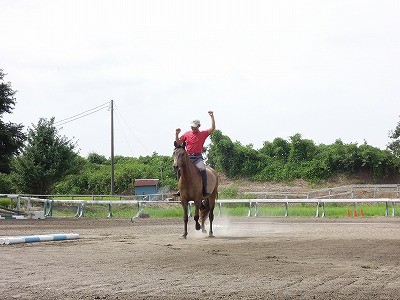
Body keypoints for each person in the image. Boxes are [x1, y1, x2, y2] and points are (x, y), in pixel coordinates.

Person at [174, 111, 216, 197]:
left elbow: (213, 128)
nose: (192, 128)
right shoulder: (187, 134)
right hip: (188, 157)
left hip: (197, 157)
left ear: (198, 126)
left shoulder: (203, 134)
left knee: (203, 169)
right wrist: (177, 134)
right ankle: (180, 189)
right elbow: (178, 142)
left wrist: (212, 116)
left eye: (194, 126)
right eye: (192, 126)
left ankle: (204, 189)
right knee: (179, 169)